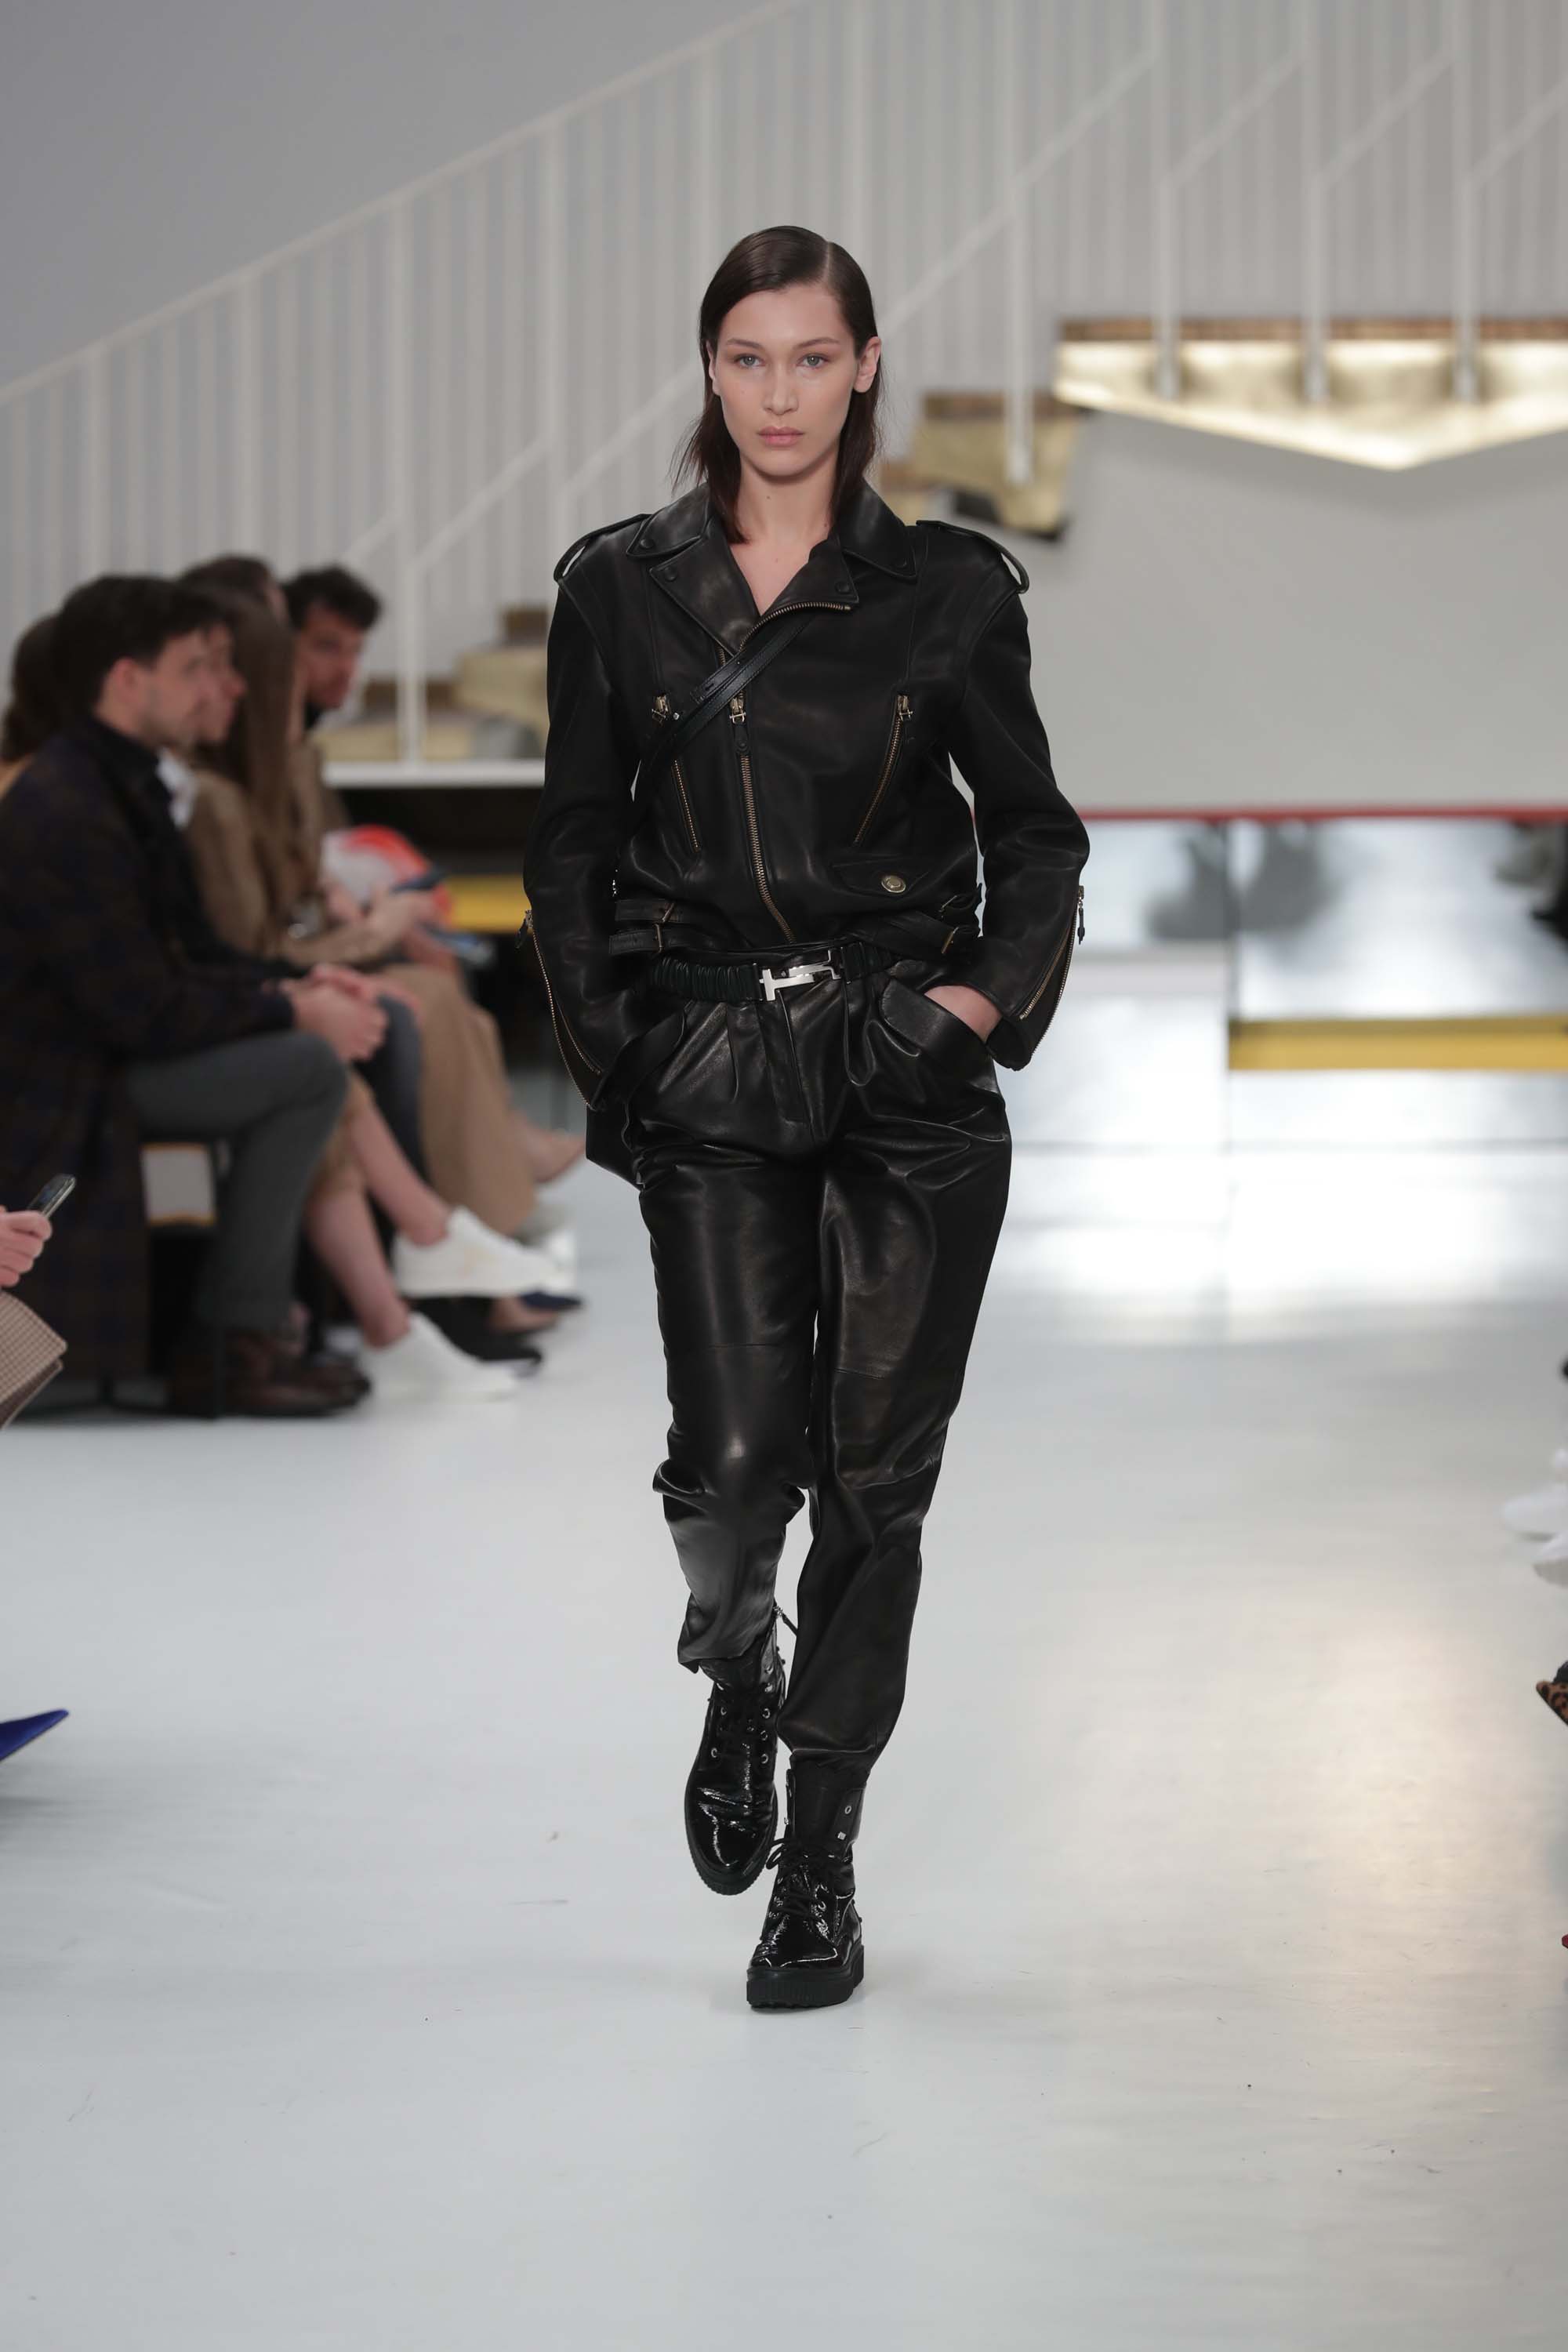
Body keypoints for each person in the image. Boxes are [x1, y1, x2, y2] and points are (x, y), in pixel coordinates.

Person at [523, 227, 1089, 2009]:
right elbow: (568, 850)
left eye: (812, 356)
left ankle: (821, 1853)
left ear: (865, 368)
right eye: (747, 357)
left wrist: (968, 1012)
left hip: (900, 1067)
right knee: (730, 1461)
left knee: (874, 1479)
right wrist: (620, 1059)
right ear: (710, 370)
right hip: (706, 1056)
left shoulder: (946, 591)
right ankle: (733, 1664)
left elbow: (1036, 835)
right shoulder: (621, 591)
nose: (779, 393)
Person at [0, 574, 390, 1416]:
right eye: (195, 667)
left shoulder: (120, 783)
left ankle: (262, 1328)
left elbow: (192, 955)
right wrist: (293, 1009)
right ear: (127, 678)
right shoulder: (67, 807)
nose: (221, 687)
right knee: (306, 1069)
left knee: (318, 1047)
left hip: (103, 1057)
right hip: (65, 1086)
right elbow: (139, 1007)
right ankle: (236, 1342)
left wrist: (296, 982)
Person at [181, 591, 560, 1381]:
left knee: (427, 997)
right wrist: (361, 937)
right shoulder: (220, 794)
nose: (335, 674)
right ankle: (447, 1261)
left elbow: (279, 913)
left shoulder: (275, 768)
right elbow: (252, 943)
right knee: (402, 1009)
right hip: (256, 987)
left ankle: (466, 1250)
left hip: (273, 973)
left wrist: (354, 921)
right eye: (307, 660)